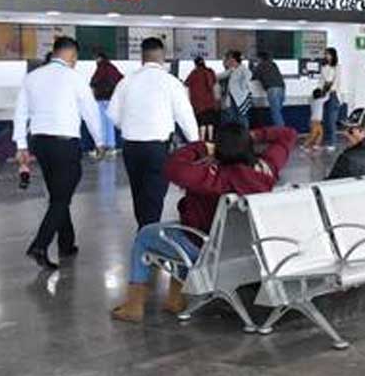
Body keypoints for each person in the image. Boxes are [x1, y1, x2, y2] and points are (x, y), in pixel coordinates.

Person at [110, 123, 297, 323]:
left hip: (206, 250)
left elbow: (172, 166)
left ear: (218, 148)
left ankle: (134, 306)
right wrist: (254, 135)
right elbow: (289, 134)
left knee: (146, 236)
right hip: (245, 250)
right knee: (181, 233)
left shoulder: (210, 177)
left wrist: (202, 147)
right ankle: (174, 298)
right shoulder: (267, 169)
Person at [12, 36, 104, 270]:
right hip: (64, 144)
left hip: (39, 143)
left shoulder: (32, 78)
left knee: (58, 194)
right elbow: (91, 112)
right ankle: (40, 245)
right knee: (62, 197)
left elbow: (20, 112)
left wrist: (21, 145)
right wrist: (100, 141)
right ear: (72, 56)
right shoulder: (75, 78)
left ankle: (66, 243)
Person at [107, 37, 201, 230]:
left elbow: (113, 115)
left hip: (131, 147)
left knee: (139, 194)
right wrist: (196, 145)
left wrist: (130, 126)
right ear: (163, 56)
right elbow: (186, 117)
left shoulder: (126, 82)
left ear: (142, 56)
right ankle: (147, 240)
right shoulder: (171, 82)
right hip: (157, 149)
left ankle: (144, 232)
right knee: (154, 197)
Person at [184, 57, 219, 142]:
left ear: (195, 64)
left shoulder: (194, 73)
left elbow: (186, 83)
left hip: (199, 103)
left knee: (202, 122)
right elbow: (215, 85)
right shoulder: (210, 71)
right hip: (210, 102)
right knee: (210, 121)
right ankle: (210, 138)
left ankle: (202, 139)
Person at [218, 50, 252, 128]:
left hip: (241, 97)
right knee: (233, 116)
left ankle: (244, 134)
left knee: (242, 116)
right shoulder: (232, 70)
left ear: (234, 60)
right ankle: (235, 134)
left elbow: (248, 77)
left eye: (230, 60)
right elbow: (220, 76)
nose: (229, 62)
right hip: (232, 97)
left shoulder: (243, 69)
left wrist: (243, 88)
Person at [252, 51, 286, 127]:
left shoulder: (260, 66)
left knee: (275, 112)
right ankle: (282, 130)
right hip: (282, 88)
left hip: (272, 89)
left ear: (260, 59)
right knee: (278, 111)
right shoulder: (273, 64)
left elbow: (253, 76)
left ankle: (281, 131)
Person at [320, 47, 344, 150]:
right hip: (325, 95)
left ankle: (332, 143)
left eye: (329, 54)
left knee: (331, 120)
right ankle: (326, 141)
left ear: (333, 55)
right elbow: (322, 81)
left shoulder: (337, 67)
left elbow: (334, 82)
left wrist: (327, 86)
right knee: (325, 120)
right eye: (325, 54)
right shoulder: (324, 67)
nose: (327, 56)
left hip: (334, 95)